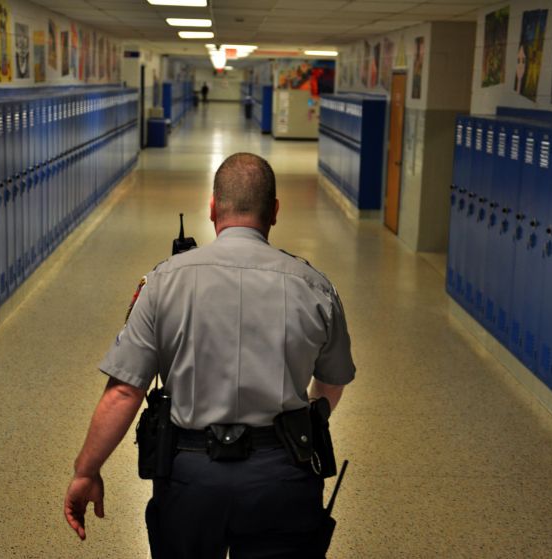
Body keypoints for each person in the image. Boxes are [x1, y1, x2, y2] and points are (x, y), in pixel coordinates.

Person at [64, 152, 356, 558]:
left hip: (190, 477)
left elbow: (123, 393)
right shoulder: (316, 287)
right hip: (283, 477)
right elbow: (333, 380)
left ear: (213, 207)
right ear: (274, 212)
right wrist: (304, 417)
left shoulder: (164, 282)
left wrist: (86, 470)